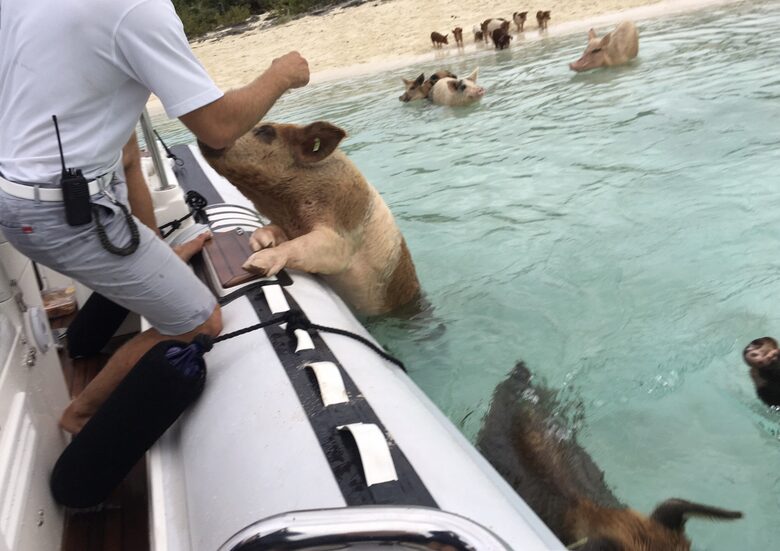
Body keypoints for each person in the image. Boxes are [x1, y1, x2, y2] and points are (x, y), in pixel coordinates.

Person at [0, 0, 310, 434]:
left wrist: (159, 254)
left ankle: (155, 261)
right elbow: (218, 127)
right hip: (60, 211)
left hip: (21, 192)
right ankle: (81, 413)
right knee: (198, 320)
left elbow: (126, 153)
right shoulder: (138, 9)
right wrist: (281, 76)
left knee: (127, 154)